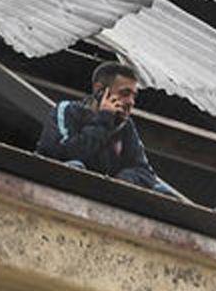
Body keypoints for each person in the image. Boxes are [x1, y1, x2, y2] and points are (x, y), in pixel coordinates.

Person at [35, 61, 178, 197]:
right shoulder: (67, 110)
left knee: (163, 191)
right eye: (124, 93)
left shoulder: (125, 126)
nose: (131, 102)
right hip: (55, 190)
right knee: (75, 166)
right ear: (99, 90)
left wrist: (122, 181)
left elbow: (144, 171)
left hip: (105, 196)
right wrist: (104, 119)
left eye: (134, 96)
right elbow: (60, 153)